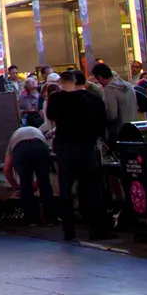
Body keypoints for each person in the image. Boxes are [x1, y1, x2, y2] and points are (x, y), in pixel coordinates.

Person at [47, 68, 111, 243]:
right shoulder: (92, 99)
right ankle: (96, 229)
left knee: (66, 191)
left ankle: (69, 230)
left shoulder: (56, 99)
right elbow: (103, 123)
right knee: (92, 189)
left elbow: (50, 115)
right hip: (87, 149)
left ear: (61, 82)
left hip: (65, 150)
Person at [3, 118, 55, 227]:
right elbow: (46, 168)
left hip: (21, 149)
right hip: (40, 147)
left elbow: (7, 168)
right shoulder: (39, 133)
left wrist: (16, 186)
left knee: (25, 184)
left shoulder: (14, 137)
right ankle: (51, 218)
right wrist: (37, 183)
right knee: (45, 183)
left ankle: (31, 220)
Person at [93, 62, 137, 143]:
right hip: (133, 129)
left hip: (119, 132)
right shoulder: (128, 85)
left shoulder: (109, 89)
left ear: (99, 77)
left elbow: (112, 116)